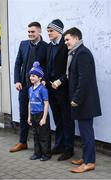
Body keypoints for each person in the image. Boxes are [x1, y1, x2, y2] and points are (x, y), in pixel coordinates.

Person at [64, 27, 102, 173]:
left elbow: (84, 79)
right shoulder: (77, 53)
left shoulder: (82, 53)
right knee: (84, 131)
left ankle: (89, 162)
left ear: (77, 38)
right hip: (82, 102)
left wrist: (76, 99)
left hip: (84, 102)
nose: (66, 42)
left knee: (87, 133)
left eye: (67, 39)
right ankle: (86, 157)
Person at [9, 22, 48, 152]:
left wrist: (44, 80)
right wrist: (17, 81)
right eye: (29, 32)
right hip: (24, 86)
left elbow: (48, 67)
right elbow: (17, 64)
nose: (30, 34)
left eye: (33, 32)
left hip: (38, 89)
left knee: (39, 115)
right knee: (23, 114)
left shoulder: (46, 47)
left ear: (39, 32)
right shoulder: (23, 44)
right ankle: (22, 142)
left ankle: (42, 146)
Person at [46, 19, 75, 161]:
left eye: (50, 31)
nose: (48, 33)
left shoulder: (66, 46)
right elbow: (48, 66)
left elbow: (70, 68)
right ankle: (59, 145)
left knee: (67, 119)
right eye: (48, 31)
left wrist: (60, 81)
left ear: (58, 31)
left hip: (63, 90)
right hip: (51, 89)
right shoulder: (49, 47)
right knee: (57, 119)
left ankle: (69, 149)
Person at [28, 61, 51, 161]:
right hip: (33, 115)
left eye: (34, 76)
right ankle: (37, 153)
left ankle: (46, 154)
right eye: (31, 76)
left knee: (44, 136)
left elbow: (46, 104)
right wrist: (29, 116)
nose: (31, 78)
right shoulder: (30, 89)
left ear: (40, 77)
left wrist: (44, 118)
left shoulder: (43, 89)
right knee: (36, 135)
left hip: (41, 114)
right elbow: (29, 102)